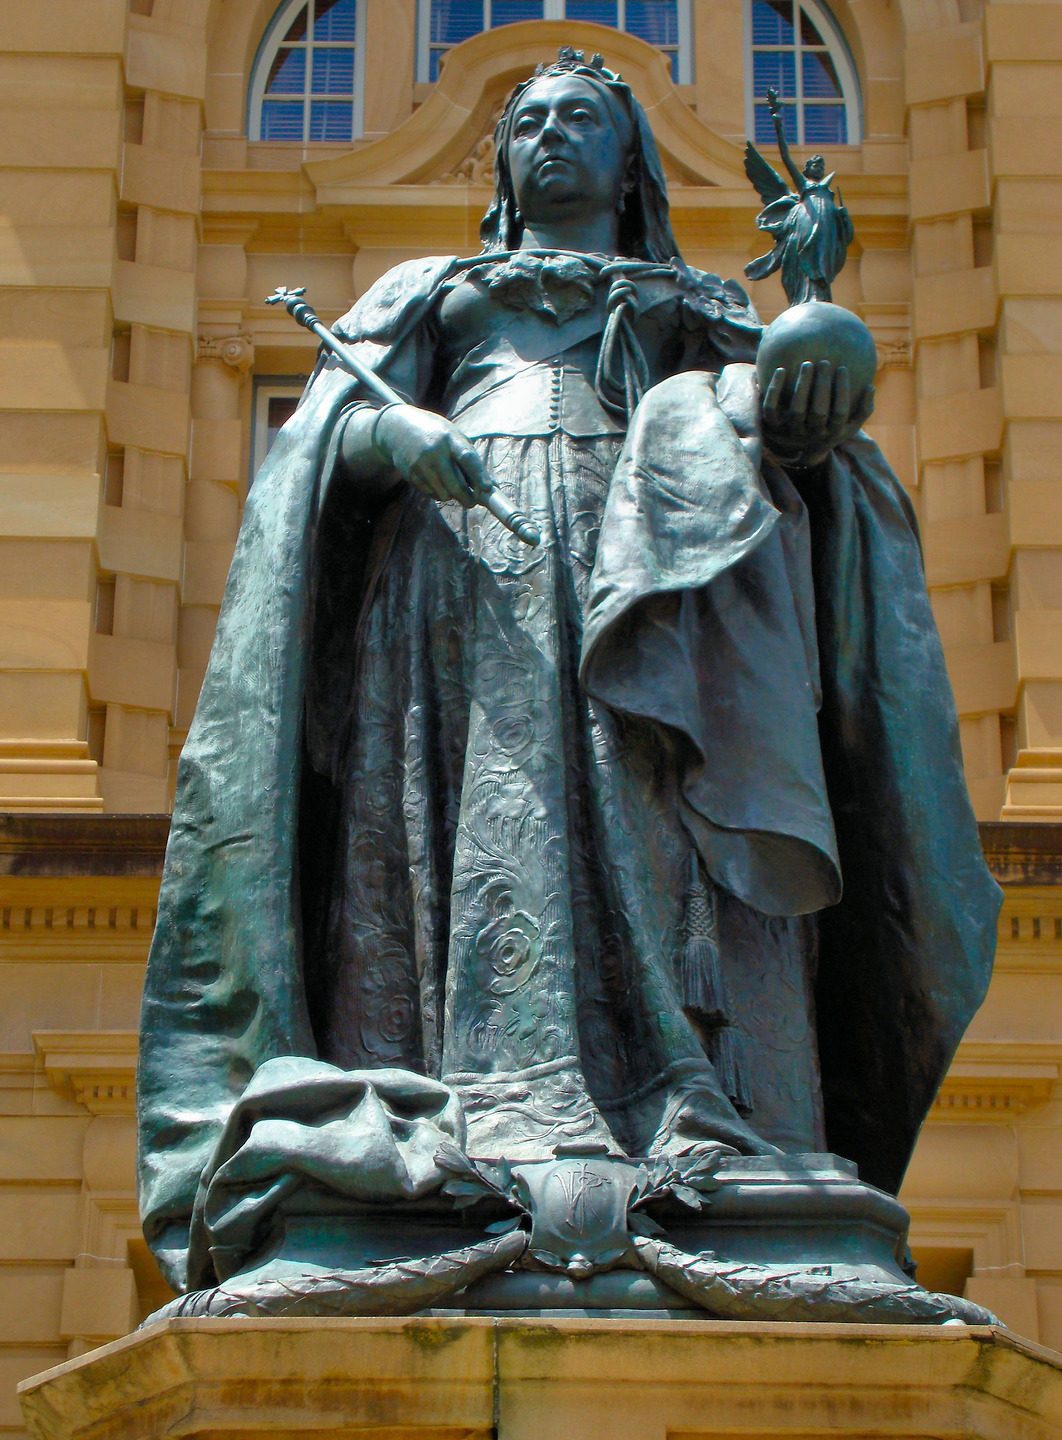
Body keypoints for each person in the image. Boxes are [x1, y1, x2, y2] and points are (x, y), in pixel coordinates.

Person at [138, 50, 998, 1299]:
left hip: (652, 596)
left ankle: (686, 1102)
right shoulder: (431, 293)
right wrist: (391, 431)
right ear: (500, 161)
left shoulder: (691, 307)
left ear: (628, 158)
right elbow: (310, 462)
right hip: (452, 586)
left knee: (653, 841)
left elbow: (801, 446)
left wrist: (818, 343)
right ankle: (446, 1107)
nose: (549, 136)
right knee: (467, 830)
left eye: (580, 119)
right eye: (527, 120)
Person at [744, 86, 854, 305]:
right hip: (805, 223)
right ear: (807, 169)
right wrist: (778, 125)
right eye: (814, 163)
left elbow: (845, 237)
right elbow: (785, 157)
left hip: (826, 227)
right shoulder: (805, 187)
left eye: (821, 165)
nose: (819, 166)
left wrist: (843, 218)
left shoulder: (828, 195)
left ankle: (819, 295)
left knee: (823, 260)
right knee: (804, 256)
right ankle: (804, 296)